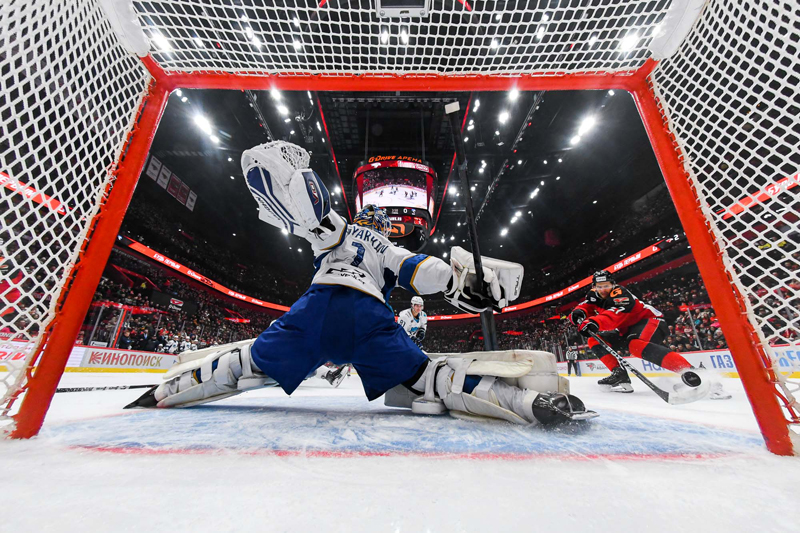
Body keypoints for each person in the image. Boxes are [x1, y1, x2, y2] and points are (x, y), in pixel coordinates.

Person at [128, 141, 595, 425]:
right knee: (433, 379)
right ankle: (534, 405)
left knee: (245, 364)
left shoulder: (338, 231)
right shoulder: (388, 246)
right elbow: (422, 272)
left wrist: (297, 188)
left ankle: (161, 395)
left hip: (317, 311)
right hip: (370, 320)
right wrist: (464, 281)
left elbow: (320, 226)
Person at [569, 270, 716, 401]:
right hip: (626, 329)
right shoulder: (593, 295)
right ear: (594, 287)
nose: (602, 290)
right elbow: (586, 306)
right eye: (599, 286)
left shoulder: (621, 294)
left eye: (606, 285)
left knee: (635, 345)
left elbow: (616, 314)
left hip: (650, 321)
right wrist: (578, 313)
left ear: (613, 284)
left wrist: (594, 322)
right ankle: (618, 374)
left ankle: (694, 373)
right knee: (594, 339)